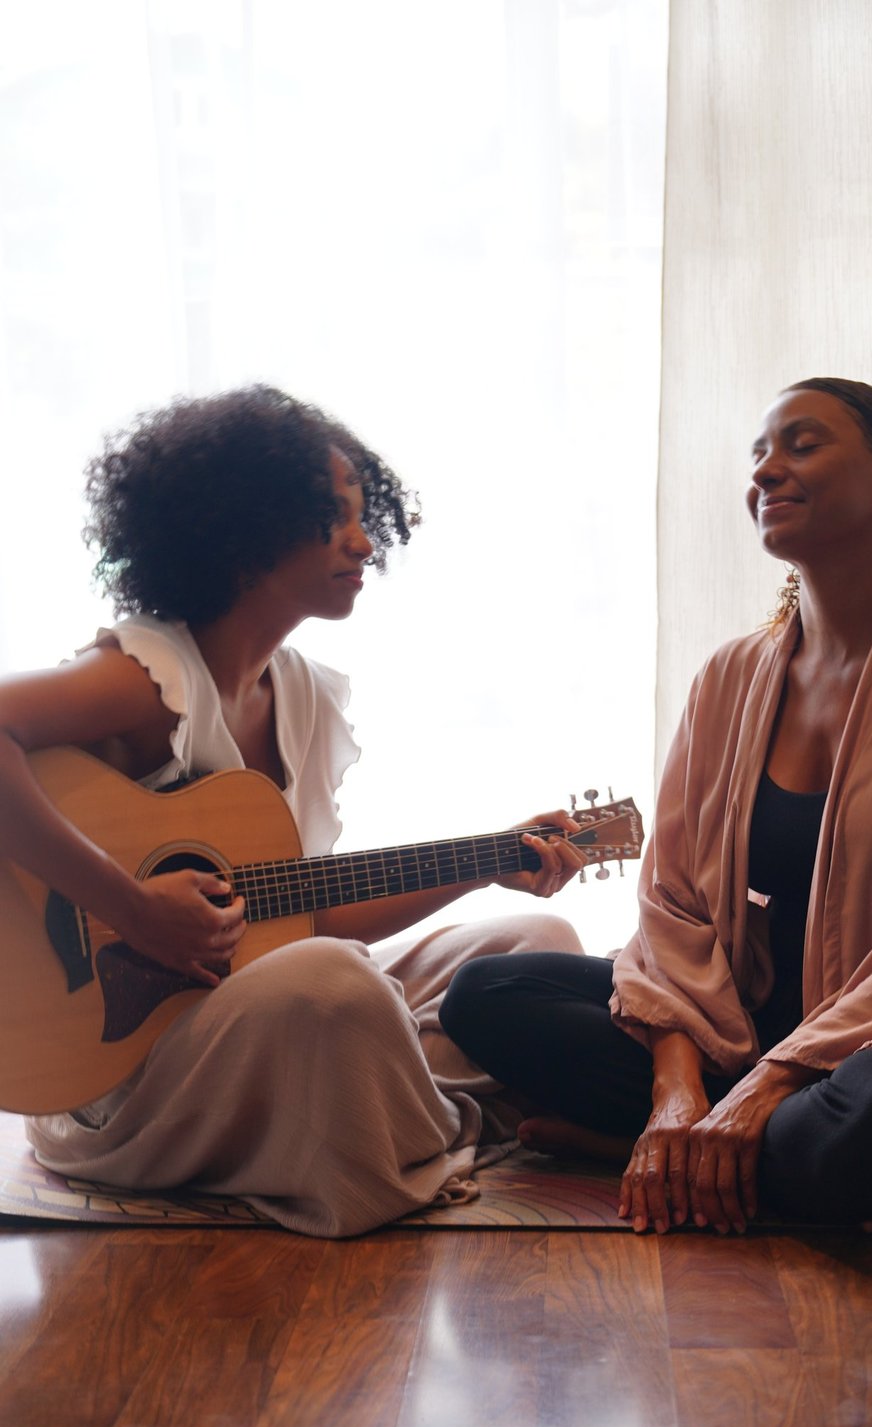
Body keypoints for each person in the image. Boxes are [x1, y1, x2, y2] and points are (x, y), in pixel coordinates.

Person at [440, 377, 872, 1235]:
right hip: (737, 1032)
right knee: (489, 993)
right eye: (758, 455)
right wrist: (677, 1087)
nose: (767, 472)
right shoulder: (730, 675)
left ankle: (652, 1151)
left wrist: (770, 1084)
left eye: (802, 444)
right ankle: (699, 1144)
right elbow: (672, 902)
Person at [0, 383, 585, 1236]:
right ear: (244, 539)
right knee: (335, 989)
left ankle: (383, 1114)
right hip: (119, 1072)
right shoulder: (145, 678)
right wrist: (131, 906)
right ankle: (439, 1124)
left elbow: (302, 917)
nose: (363, 541)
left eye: (361, 515)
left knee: (537, 948)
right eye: (331, 519)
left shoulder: (302, 695)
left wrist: (485, 866)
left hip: (247, 1017)